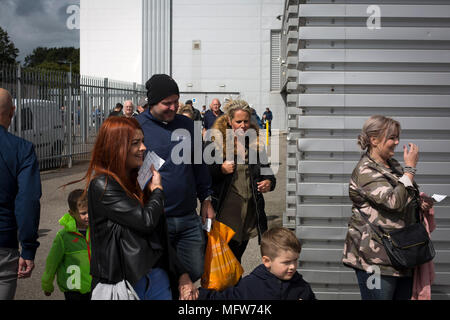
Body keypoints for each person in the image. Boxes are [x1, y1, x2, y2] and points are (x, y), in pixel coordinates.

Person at [73, 116, 196, 300]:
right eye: (135, 143)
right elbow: (145, 221)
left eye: (143, 141)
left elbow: (159, 234)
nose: (143, 148)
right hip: (125, 284)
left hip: (156, 278)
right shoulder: (103, 185)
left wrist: (181, 273)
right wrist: (157, 192)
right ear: (116, 147)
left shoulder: (137, 180)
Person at [342, 115, 433, 300]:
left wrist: (420, 203)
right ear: (374, 140)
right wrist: (410, 170)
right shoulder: (365, 171)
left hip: (402, 256)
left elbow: (405, 194)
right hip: (375, 261)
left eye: (397, 137)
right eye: (392, 137)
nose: (397, 142)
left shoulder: (393, 165)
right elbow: (393, 202)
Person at [136, 74, 215, 282]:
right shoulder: (136, 128)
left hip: (188, 217)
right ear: (152, 103)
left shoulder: (188, 125)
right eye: (166, 103)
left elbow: (199, 166)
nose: (173, 107)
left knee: (195, 270)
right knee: (159, 276)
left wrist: (206, 199)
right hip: (155, 220)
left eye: (176, 101)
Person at [206, 99, 276, 262]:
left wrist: (269, 182)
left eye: (246, 121)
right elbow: (203, 176)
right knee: (223, 263)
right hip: (225, 214)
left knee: (236, 260)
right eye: (239, 121)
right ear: (229, 121)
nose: (243, 125)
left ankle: (234, 287)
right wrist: (220, 169)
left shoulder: (256, 144)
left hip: (248, 214)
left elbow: (268, 173)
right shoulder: (215, 143)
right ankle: (226, 287)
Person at [0, 88, 41, 300]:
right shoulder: (21, 149)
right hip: (3, 243)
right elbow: (27, 201)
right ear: (12, 112)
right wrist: (28, 248)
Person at [198, 227, 316, 300]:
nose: (293, 266)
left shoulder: (301, 286)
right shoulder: (250, 286)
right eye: (286, 262)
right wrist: (197, 295)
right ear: (267, 261)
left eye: (295, 260)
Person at [41, 189, 92, 300]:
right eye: (83, 213)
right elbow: (52, 262)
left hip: (96, 287)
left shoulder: (98, 231)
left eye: (90, 211)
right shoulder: (63, 236)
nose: (88, 216)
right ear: (72, 213)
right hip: (73, 290)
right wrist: (47, 284)